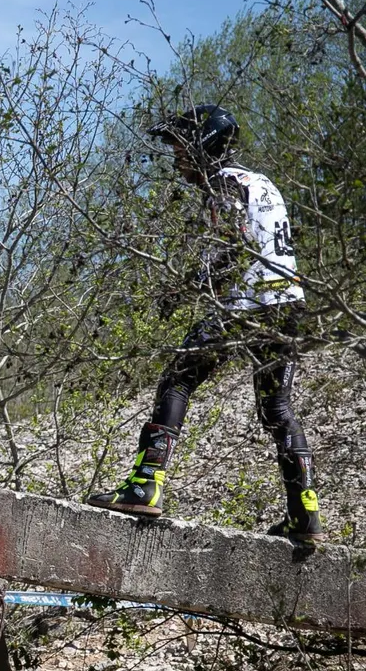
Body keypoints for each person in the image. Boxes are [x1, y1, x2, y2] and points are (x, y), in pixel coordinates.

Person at [86, 104, 323, 546]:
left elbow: (234, 245)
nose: (176, 158)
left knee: (178, 378)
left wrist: (188, 288)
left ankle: (144, 484)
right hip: (287, 304)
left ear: (204, 144)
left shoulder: (223, 184)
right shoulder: (260, 181)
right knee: (278, 410)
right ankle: (305, 514)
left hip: (246, 305)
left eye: (180, 147)